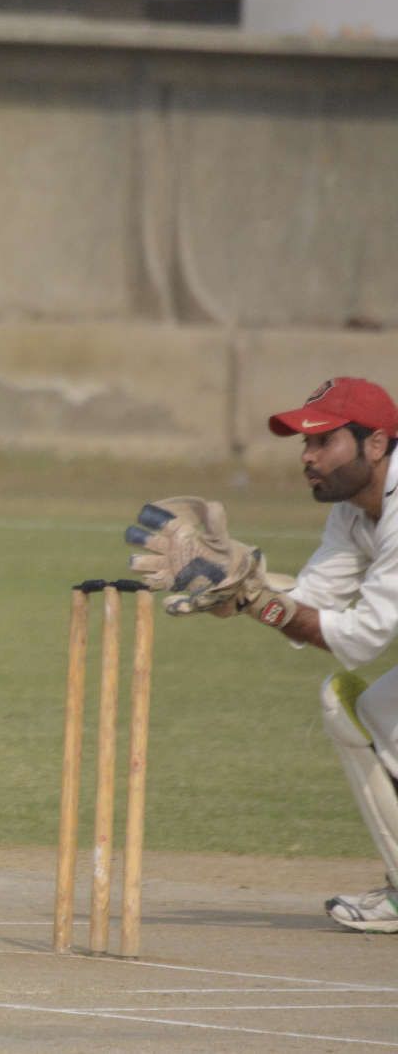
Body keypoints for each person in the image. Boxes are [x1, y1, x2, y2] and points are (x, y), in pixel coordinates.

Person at [124, 376, 398, 933]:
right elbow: (313, 601)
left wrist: (255, 599)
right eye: (306, 443)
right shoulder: (352, 510)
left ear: (375, 444)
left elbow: (361, 637)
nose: (308, 456)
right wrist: (237, 583)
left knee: (363, 706)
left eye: (324, 441)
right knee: (363, 709)